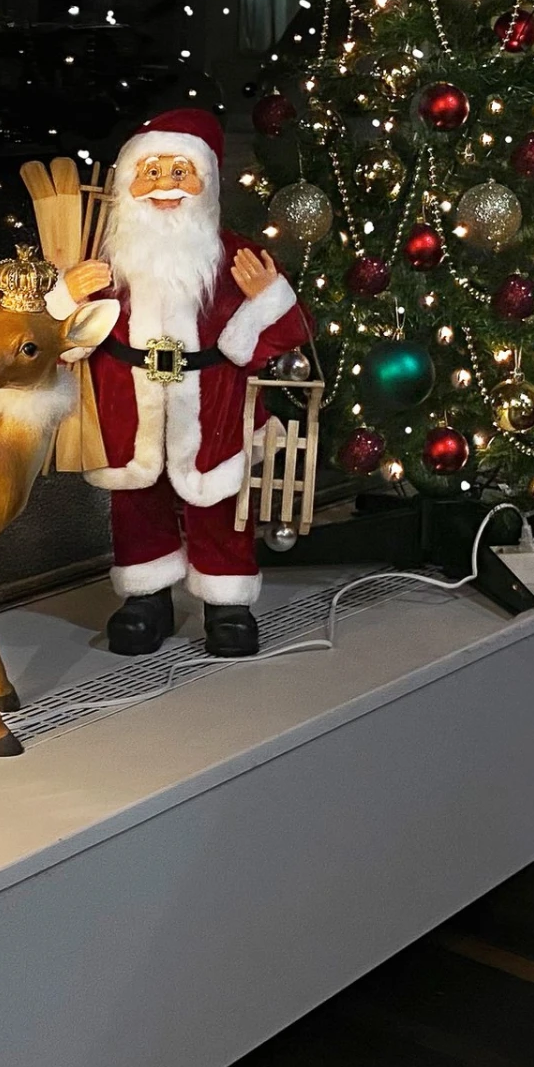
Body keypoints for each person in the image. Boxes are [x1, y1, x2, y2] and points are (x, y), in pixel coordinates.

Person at [81, 108, 312, 659]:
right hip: (128, 404)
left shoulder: (233, 255)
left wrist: (265, 301)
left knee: (220, 504)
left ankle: (226, 602)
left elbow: (289, 330)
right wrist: (69, 295)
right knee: (136, 505)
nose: (164, 186)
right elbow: (65, 338)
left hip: (212, 404)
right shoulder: (105, 259)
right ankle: (146, 599)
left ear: (205, 182)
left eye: (180, 172)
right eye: (151, 171)